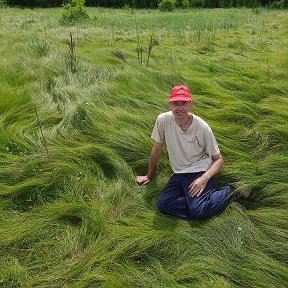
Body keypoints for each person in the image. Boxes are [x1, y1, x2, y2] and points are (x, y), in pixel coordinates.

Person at [136, 85, 249, 220]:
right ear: (169, 105)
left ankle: (234, 190)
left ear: (191, 104)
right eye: (176, 103)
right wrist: (149, 176)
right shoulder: (163, 120)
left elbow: (218, 160)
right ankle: (198, 203)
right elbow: (156, 149)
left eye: (184, 103)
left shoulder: (202, 127)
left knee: (199, 211)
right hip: (179, 172)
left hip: (199, 170)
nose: (180, 108)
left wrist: (203, 179)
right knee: (163, 205)